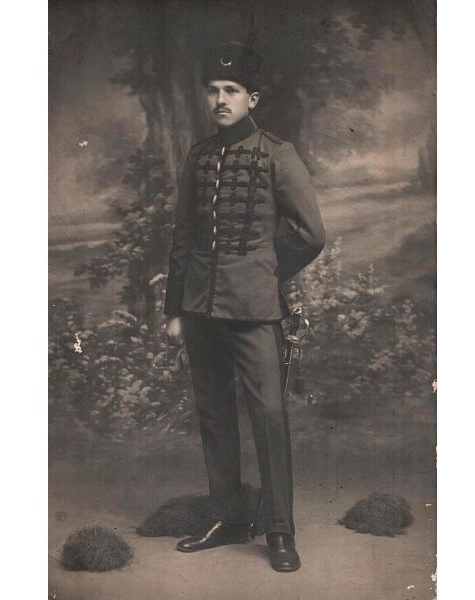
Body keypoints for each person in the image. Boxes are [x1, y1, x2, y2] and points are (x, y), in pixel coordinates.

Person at [164, 41, 325, 572]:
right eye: (213, 90)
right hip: (200, 308)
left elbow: (310, 234)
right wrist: (174, 309)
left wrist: (263, 272)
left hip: (254, 309)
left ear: (251, 98)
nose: (220, 99)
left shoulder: (277, 154)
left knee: (269, 416)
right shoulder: (199, 156)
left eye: (231, 90)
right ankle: (228, 517)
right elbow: (183, 234)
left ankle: (279, 530)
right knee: (214, 415)